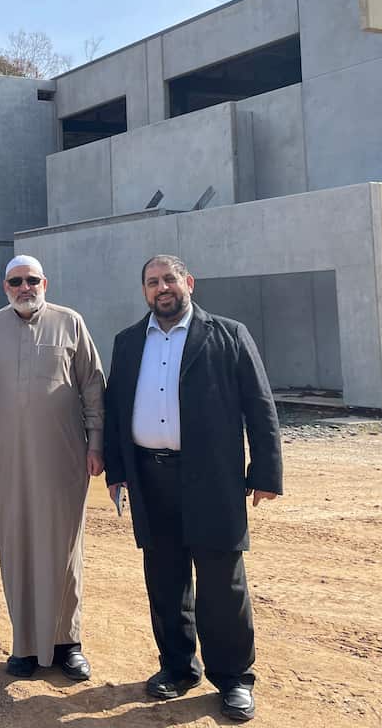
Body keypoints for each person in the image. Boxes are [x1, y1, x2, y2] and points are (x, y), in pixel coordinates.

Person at [103, 254, 283, 722]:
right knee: (164, 580)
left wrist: (265, 472)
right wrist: (118, 470)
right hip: (150, 476)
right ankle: (178, 667)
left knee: (223, 584)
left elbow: (260, 406)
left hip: (213, 478)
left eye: (168, 279)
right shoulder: (127, 342)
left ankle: (234, 680)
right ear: (144, 290)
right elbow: (115, 410)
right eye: (151, 282)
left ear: (188, 282)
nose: (161, 288)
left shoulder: (228, 334)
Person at [0, 254, 105, 680]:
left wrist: (96, 443)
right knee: (17, 545)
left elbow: (93, 387)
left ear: (45, 282)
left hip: (64, 457)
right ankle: (25, 644)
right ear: (5, 287)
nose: (24, 288)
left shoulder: (70, 323)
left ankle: (69, 642)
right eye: (15, 282)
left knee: (64, 548)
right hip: (7, 458)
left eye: (31, 280)